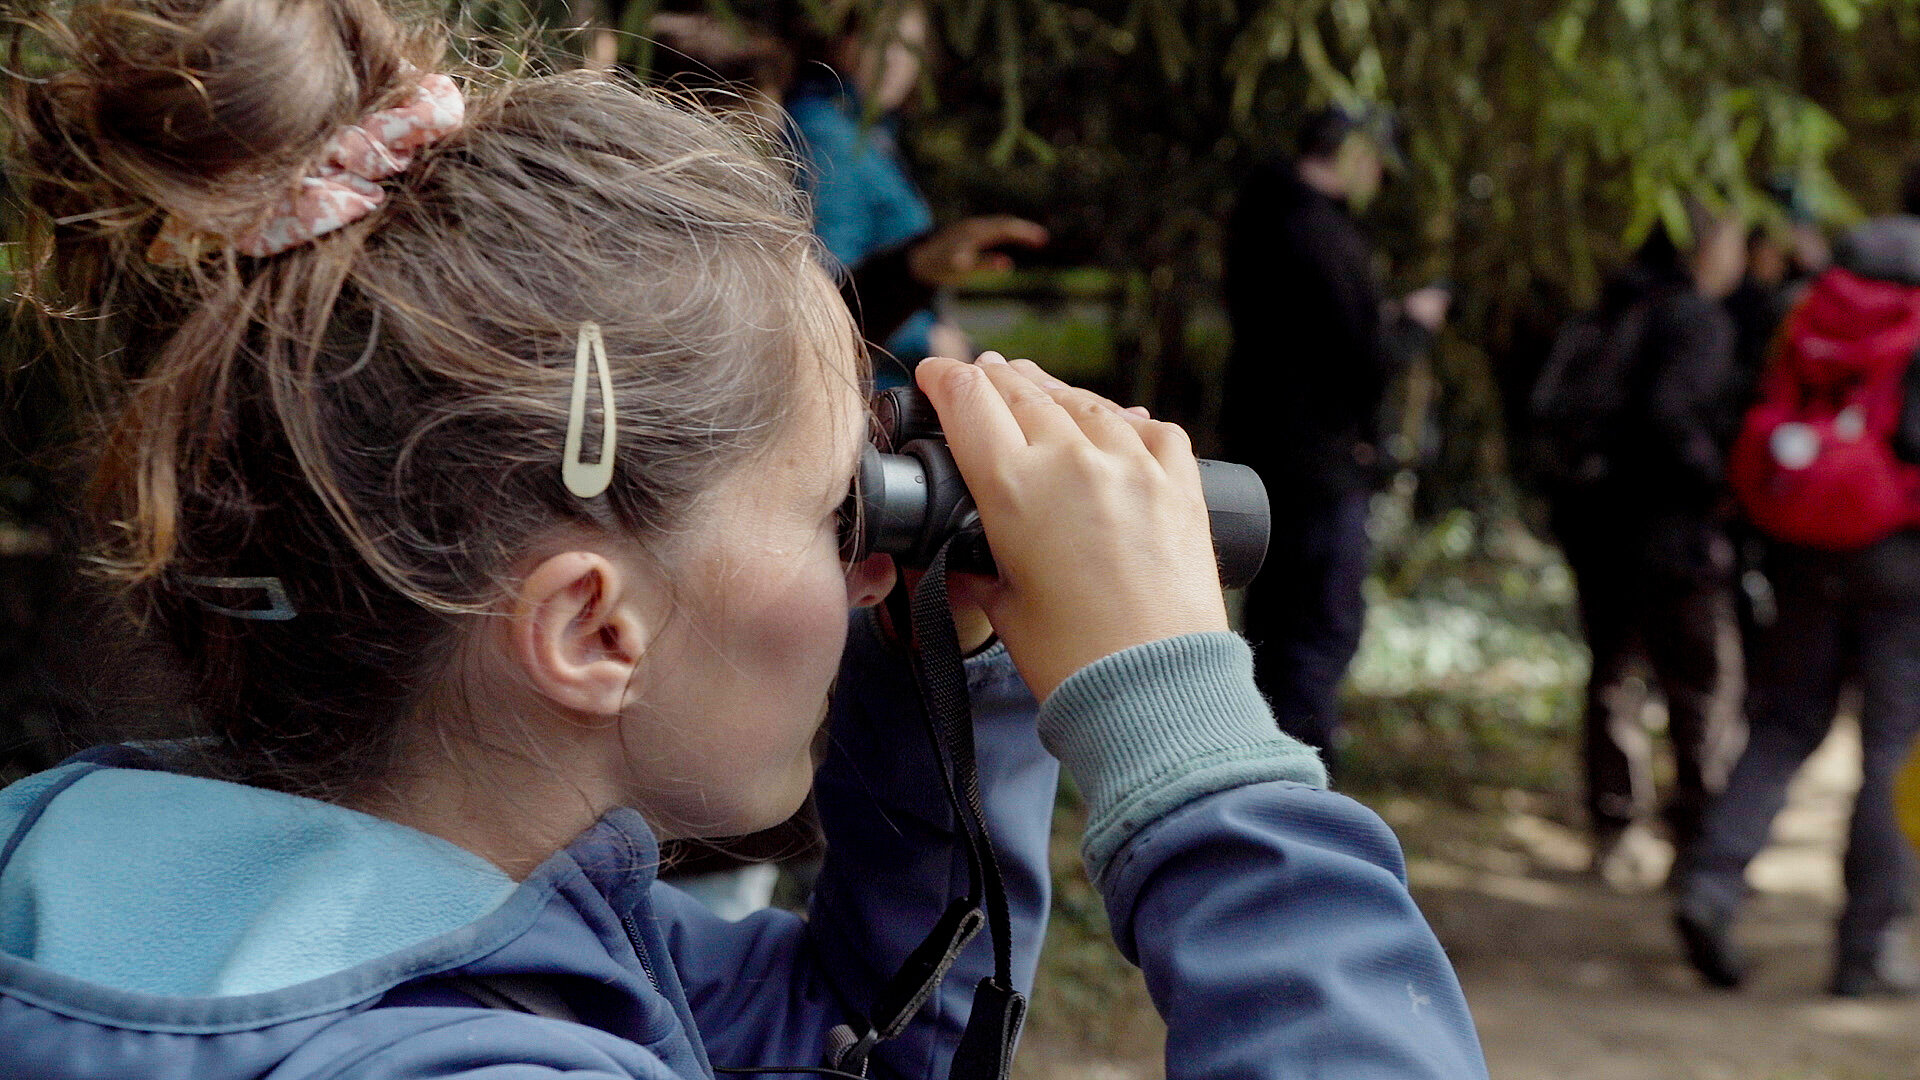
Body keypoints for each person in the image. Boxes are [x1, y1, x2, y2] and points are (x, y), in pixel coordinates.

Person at [0, 2, 1490, 1079]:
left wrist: (940, 682)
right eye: (845, 510)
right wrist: (1184, 734)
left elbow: (847, 1041)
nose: (872, 567)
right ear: (593, 628)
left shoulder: (155, 901)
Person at [1676, 209, 1920, 998]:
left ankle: (1710, 883)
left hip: (1803, 553)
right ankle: (1866, 948)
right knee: (1895, 750)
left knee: (1783, 723)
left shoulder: (1804, 319)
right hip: (1903, 566)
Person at [1221, 106, 1449, 764]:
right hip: (1317, 464)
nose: (1377, 177)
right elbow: (1357, 355)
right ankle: (1300, 779)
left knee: (1276, 624)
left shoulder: (1263, 218)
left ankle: (1266, 769)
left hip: (1268, 457)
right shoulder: (1318, 233)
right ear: (1350, 153)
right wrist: (1414, 329)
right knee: (1317, 627)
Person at [1532, 208, 1749, 891]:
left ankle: (1617, 829)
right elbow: (1671, 417)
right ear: (1706, 246)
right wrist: (1720, 486)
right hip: (1670, 534)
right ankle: (1702, 843)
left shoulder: (1612, 308)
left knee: (1614, 676)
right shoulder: (1696, 319)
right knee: (1701, 684)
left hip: (1598, 528)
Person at [781, 2, 1045, 385]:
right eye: (881, 42)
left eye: (909, 47)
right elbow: (824, 285)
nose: (895, 62)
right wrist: (927, 338)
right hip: (860, 388)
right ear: (839, 42)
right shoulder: (830, 138)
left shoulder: (869, 134)